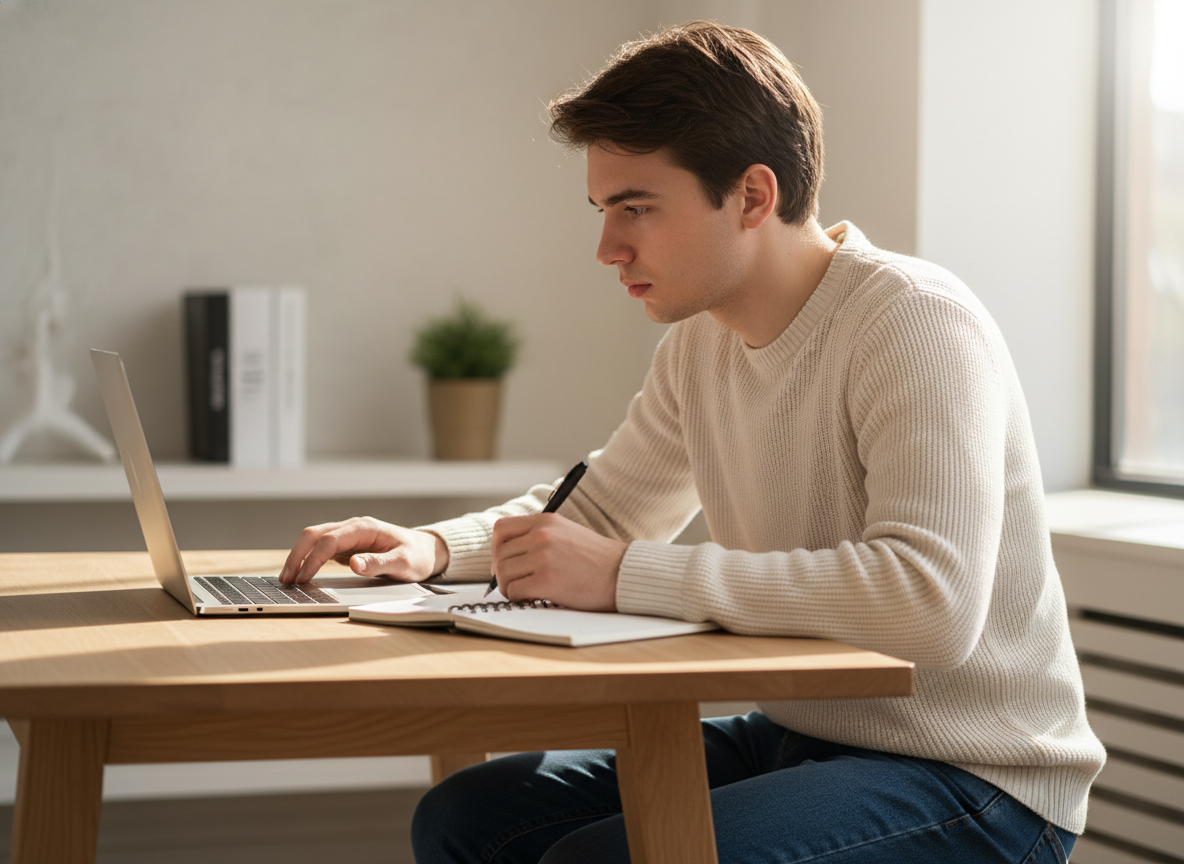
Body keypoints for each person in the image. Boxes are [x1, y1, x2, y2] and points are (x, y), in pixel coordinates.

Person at [280, 20, 1103, 864]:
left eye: (636, 209)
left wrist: (628, 576)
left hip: (973, 774)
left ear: (752, 196)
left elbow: (932, 603)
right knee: (464, 818)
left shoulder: (914, 323)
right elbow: (601, 510)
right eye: (604, 211)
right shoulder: (700, 345)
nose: (607, 248)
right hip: (798, 730)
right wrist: (427, 548)